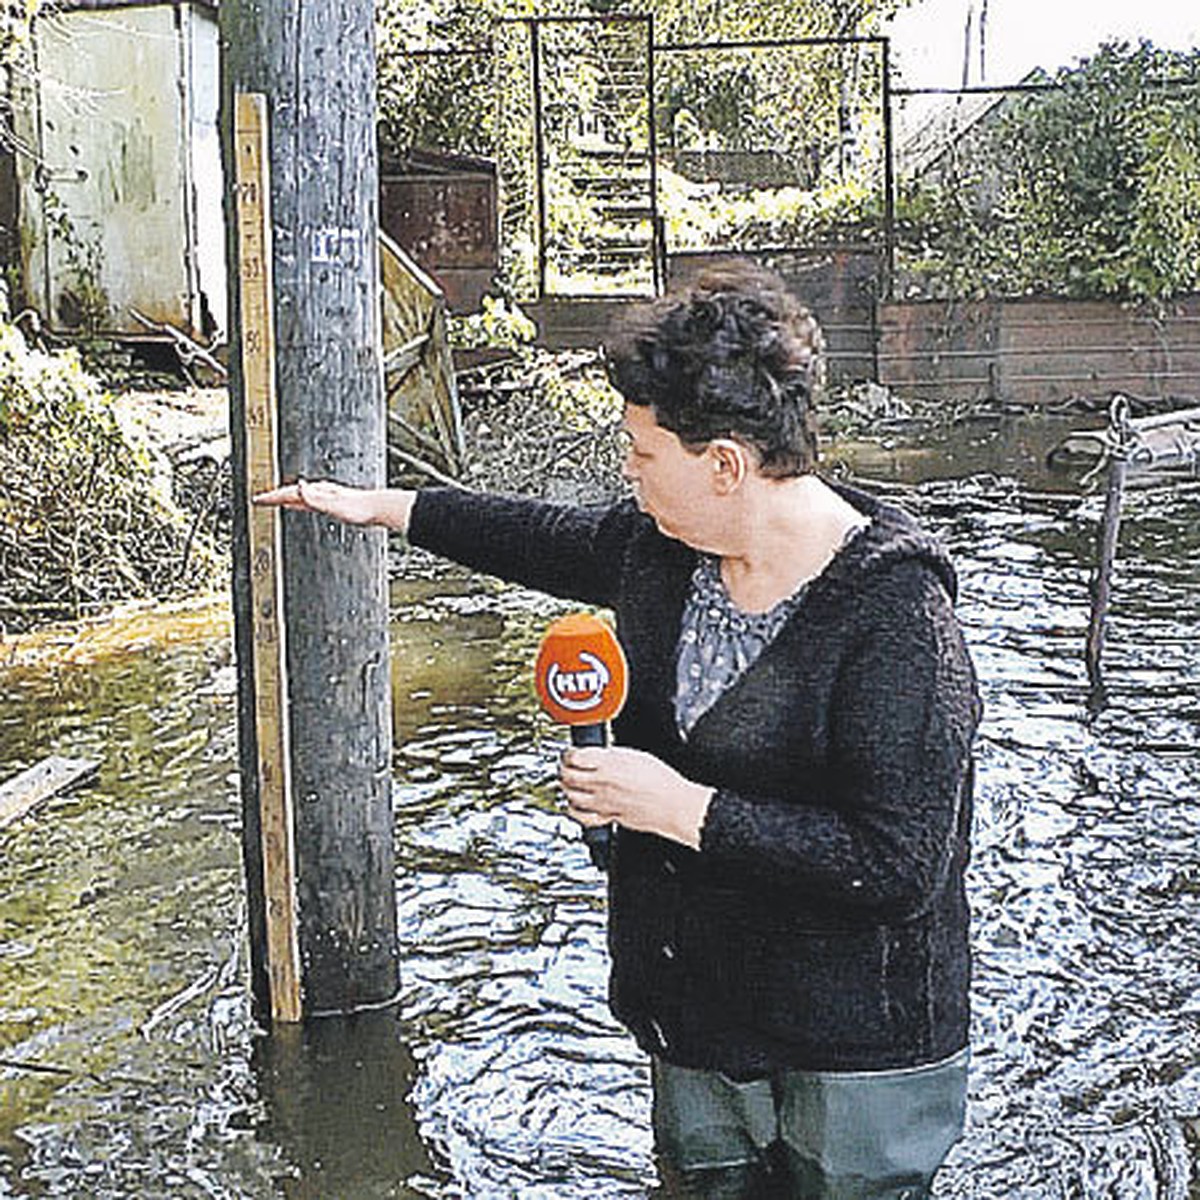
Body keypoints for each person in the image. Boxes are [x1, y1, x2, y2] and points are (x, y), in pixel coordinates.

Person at [255, 260, 982, 1199]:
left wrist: (684, 810)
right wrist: (384, 509)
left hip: (857, 1053)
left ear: (725, 464)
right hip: (694, 1015)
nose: (629, 479)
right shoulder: (666, 554)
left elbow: (896, 866)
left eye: (641, 456)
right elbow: (539, 538)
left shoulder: (897, 622)